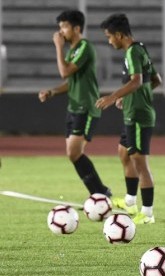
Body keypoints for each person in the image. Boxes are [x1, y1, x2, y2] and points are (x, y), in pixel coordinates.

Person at [96, 13, 162, 225]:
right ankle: (130, 201)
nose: (109, 41)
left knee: (140, 162)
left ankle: (148, 212)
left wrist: (114, 96)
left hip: (138, 117)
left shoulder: (133, 52)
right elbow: (156, 80)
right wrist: (132, 97)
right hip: (132, 113)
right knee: (124, 153)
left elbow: (136, 81)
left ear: (118, 34)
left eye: (109, 36)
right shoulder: (139, 48)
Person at [38, 10, 111, 198]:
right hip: (74, 107)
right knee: (72, 154)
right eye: (59, 27)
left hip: (86, 107)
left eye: (64, 26)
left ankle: (100, 193)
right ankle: (99, 193)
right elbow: (71, 81)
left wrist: (57, 47)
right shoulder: (74, 50)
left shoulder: (84, 47)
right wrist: (53, 91)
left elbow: (65, 72)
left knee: (74, 152)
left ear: (77, 28)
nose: (61, 32)